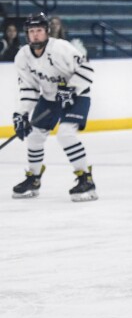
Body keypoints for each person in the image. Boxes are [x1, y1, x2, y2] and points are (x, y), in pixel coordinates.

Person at [11, 12, 98, 202]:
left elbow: (87, 69)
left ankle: (86, 179)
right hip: (50, 98)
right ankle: (33, 178)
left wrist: (71, 89)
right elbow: (29, 88)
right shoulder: (23, 56)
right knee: (34, 136)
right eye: (32, 31)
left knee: (65, 134)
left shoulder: (61, 48)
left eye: (39, 31)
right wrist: (21, 113)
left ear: (47, 32)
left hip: (77, 97)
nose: (35, 35)